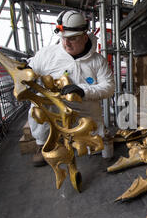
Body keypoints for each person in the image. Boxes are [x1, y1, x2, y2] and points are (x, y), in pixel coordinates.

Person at [27, 10, 114, 166]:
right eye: (64, 38)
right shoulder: (47, 55)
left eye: (72, 39)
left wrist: (83, 90)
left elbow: (109, 87)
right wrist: (26, 76)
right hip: (54, 107)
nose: (66, 43)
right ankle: (43, 144)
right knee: (37, 106)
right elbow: (28, 70)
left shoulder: (97, 61)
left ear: (85, 37)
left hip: (84, 107)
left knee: (98, 148)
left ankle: (87, 139)